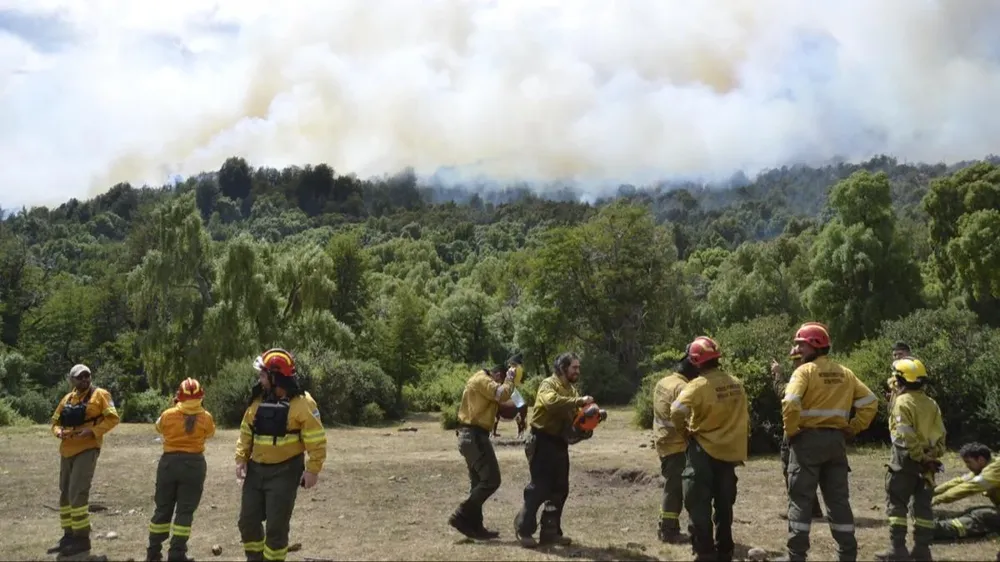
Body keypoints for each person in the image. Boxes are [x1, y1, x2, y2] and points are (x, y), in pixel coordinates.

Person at [778, 322, 878, 562]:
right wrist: (852, 428)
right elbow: (870, 402)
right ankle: (847, 554)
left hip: (806, 442)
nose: (797, 350)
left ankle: (796, 556)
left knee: (801, 500)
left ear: (814, 345)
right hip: (836, 443)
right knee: (838, 501)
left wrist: (791, 430)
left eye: (800, 345)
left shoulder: (804, 372)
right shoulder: (845, 373)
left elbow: (790, 402)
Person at [235, 348, 328, 562]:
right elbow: (246, 430)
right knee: (247, 522)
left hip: (285, 471)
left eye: (263, 374)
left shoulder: (303, 403)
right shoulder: (257, 399)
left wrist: (313, 470)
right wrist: (241, 458)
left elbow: (316, 439)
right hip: (256, 470)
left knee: (276, 528)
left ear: (275, 377)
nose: (260, 378)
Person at [669, 336, 750, 562]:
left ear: (695, 362)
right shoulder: (736, 383)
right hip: (729, 453)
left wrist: (685, 431)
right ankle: (725, 550)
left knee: (698, 501)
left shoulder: (697, 386)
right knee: (724, 503)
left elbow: (676, 411)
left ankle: (705, 552)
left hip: (702, 451)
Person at [514, 351, 594, 548]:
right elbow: (550, 403)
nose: (578, 371)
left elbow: (576, 417)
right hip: (540, 440)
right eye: (574, 367)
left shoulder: (571, 390)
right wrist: (579, 402)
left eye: (578, 367)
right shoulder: (548, 384)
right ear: (563, 368)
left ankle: (550, 533)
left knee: (559, 489)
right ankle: (523, 529)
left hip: (558, 443)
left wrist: (591, 419)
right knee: (539, 488)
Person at [874, 358, 946, 562]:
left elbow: (904, 435)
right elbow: (941, 434)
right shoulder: (931, 404)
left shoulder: (902, 403)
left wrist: (920, 457)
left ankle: (898, 549)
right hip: (928, 464)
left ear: (900, 380)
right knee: (923, 507)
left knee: (897, 505)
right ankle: (923, 550)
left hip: (905, 461)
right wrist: (931, 456)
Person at [47, 364, 120, 558]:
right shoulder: (67, 399)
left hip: (87, 448)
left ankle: (82, 538)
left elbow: (113, 419)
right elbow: (54, 422)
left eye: (87, 376)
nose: (85, 380)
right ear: (72, 380)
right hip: (67, 450)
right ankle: (68, 536)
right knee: (65, 494)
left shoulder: (100, 395)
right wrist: (58, 432)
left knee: (77, 493)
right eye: (80, 377)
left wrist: (94, 431)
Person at [146, 378, 217, 562]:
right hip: (194, 465)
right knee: (184, 511)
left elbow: (158, 427)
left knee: (162, 508)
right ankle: (177, 553)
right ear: (201, 397)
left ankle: (153, 552)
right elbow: (210, 433)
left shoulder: (168, 414)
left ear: (179, 397)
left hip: (169, 464)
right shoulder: (206, 417)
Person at [449, 362, 516, 539]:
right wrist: (510, 378)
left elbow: (509, 403)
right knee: (492, 480)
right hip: (475, 436)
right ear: (497, 374)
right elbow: (502, 394)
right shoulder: (483, 380)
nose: (499, 383)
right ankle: (461, 514)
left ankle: (475, 527)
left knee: (477, 482)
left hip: (471, 436)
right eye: (500, 379)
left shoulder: (482, 384)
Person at [771, 348, 824, 521]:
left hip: (798, 432)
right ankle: (813, 509)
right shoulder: (818, 376)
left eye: (796, 360)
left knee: (792, 472)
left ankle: (800, 509)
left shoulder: (802, 378)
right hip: (815, 432)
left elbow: (783, 393)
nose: (794, 363)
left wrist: (777, 375)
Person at [651, 353, 696, 543]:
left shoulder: (664, 382)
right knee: (675, 488)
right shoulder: (683, 388)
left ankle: (667, 526)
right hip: (676, 444)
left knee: (672, 485)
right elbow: (687, 418)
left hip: (662, 440)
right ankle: (668, 530)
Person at [930, 442, 1000, 543]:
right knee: (974, 510)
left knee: (981, 515)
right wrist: (933, 492)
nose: (967, 466)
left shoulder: (995, 469)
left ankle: (938, 531)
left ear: (980, 460)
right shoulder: (987, 467)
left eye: (968, 462)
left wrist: (936, 500)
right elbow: (961, 481)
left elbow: (969, 487)